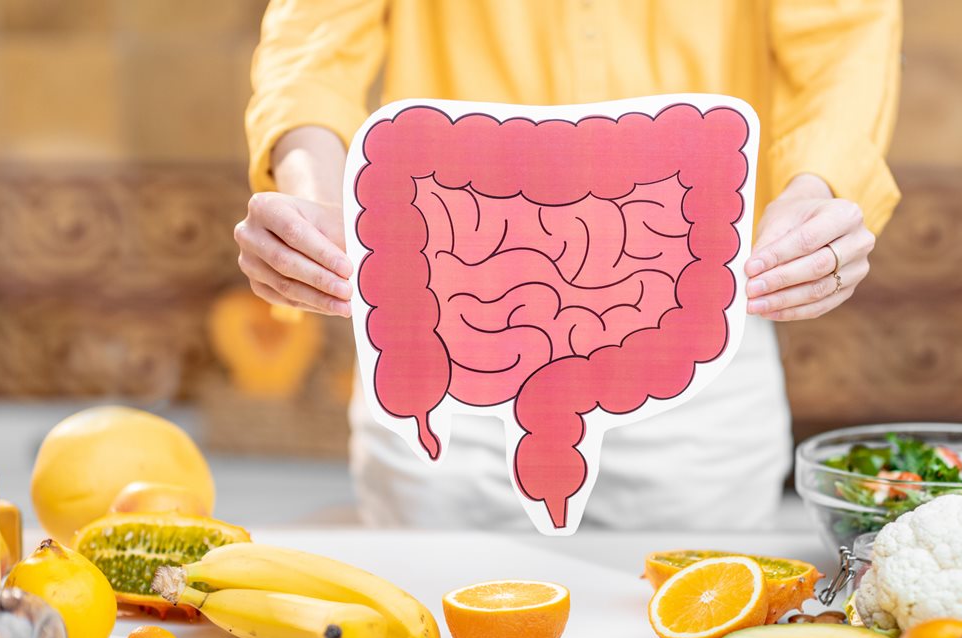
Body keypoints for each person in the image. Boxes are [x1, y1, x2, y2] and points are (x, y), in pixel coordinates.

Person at [234, 0, 901, 531]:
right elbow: (314, 40)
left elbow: (844, 40)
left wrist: (823, 186)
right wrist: (309, 191)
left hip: (701, 351)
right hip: (438, 367)